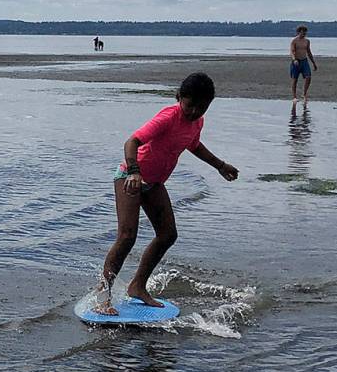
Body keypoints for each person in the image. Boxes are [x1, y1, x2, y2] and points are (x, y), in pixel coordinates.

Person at [94, 73, 239, 315]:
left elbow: (193, 144)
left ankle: (137, 286)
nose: (193, 112)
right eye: (190, 105)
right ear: (179, 98)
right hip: (129, 179)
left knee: (167, 234)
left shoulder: (196, 122)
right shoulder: (168, 116)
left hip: (154, 183)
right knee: (127, 235)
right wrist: (133, 172)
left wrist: (220, 165)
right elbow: (132, 142)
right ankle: (103, 295)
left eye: (201, 108)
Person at [289, 24, 318, 102]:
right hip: (296, 61)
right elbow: (292, 51)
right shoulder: (294, 41)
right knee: (295, 79)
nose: (304, 34)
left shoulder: (307, 41)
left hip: (304, 61)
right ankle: (294, 97)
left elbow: (309, 52)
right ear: (298, 32)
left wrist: (313, 63)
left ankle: (304, 94)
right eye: (302, 32)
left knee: (308, 77)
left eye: (305, 33)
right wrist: (294, 59)